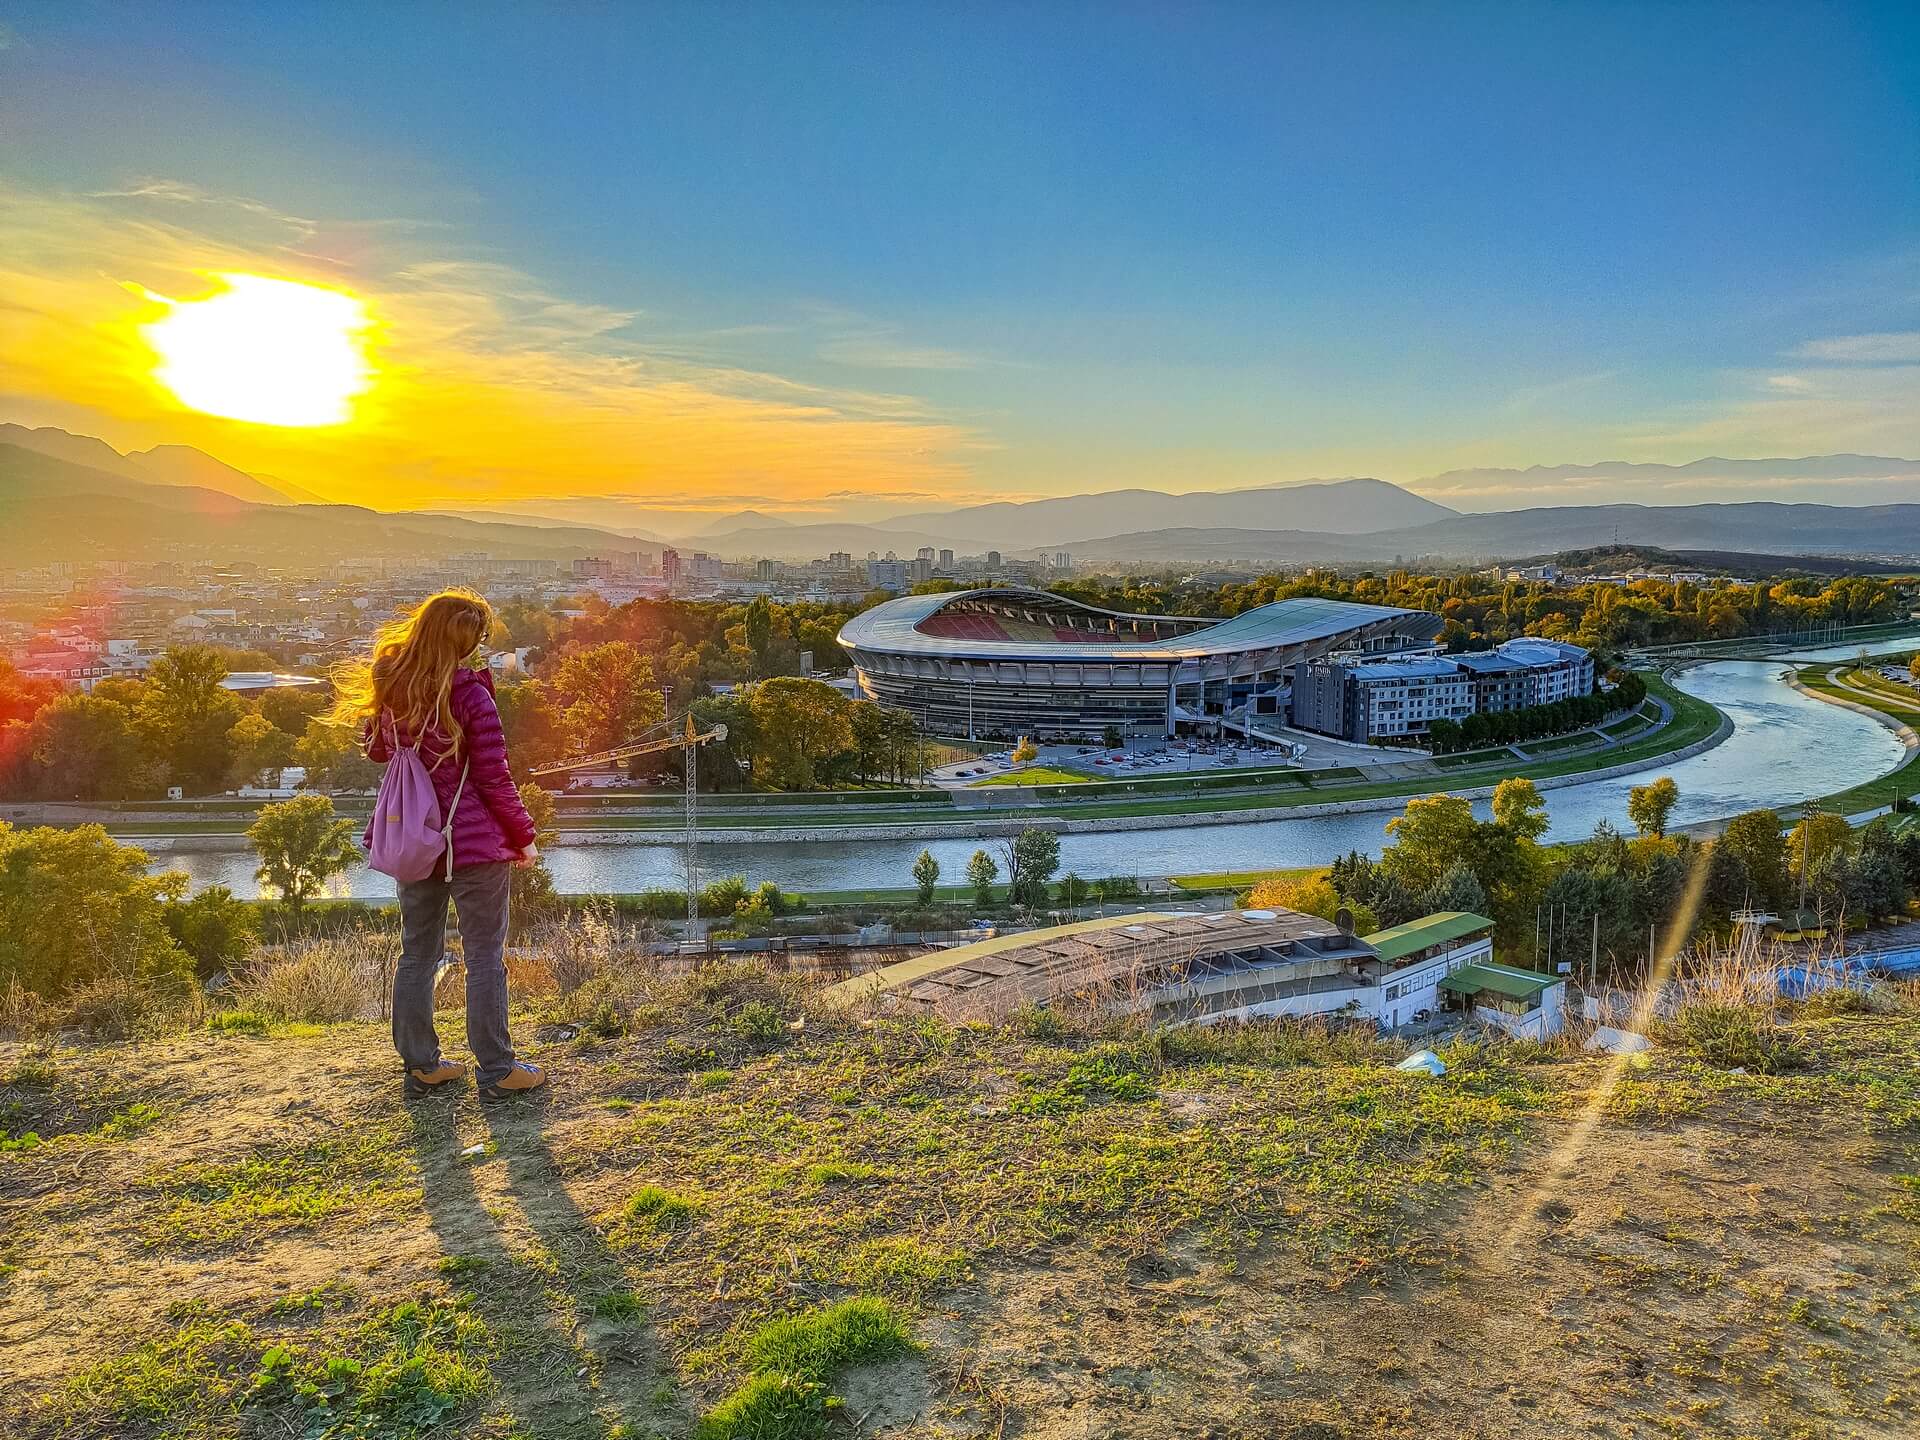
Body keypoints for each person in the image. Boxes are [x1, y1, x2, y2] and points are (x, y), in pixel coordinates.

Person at [330, 589, 548, 1102]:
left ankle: (422, 1066)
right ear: (468, 642)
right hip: (475, 847)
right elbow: (495, 779)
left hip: (414, 841)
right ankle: (497, 1070)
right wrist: (524, 836)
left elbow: (378, 751)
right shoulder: (471, 695)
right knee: (484, 957)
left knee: (417, 955)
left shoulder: (396, 688)